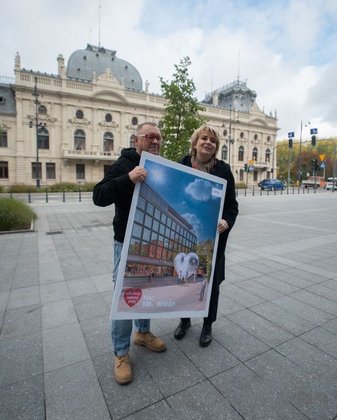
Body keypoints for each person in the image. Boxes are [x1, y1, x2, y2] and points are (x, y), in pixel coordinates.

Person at [93, 122, 167, 385]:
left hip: (151, 245)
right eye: (150, 137)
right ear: (137, 139)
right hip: (126, 244)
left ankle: (143, 333)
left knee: (146, 290)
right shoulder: (125, 163)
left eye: (159, 137)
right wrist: (129, 178)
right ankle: (121, 353)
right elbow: (99, 195)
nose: (156, 141)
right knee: (125, 297)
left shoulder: (160, 166)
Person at [174, 124, 239, 347]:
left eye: (213, 141)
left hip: (213, 239)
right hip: (187, 233)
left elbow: (232, 206)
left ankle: (207, 325)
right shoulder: (183, 164)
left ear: (216, 147)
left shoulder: (223, 170)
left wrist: (226, 221)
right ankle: (184, 320)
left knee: (212, 284)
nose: (208, 143)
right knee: (185, 278)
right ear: (195, 142)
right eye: (204, 138)